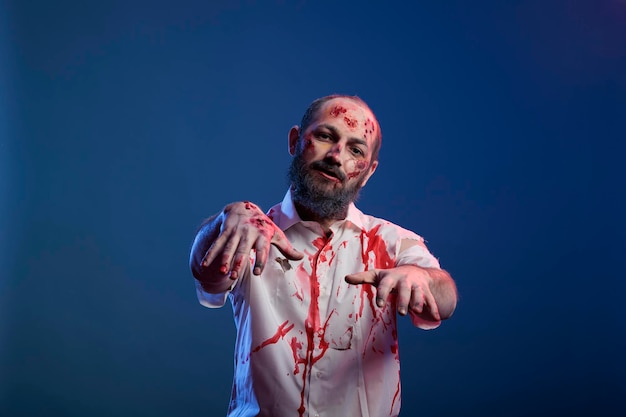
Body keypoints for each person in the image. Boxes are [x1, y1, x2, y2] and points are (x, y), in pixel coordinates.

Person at [189, 94, 458, 417]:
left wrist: (423, 277)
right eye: (326, 136)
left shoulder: (393, 243)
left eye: (355, 149)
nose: (335, 155)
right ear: (295, 141)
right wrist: (222, 223)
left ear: (368, 171)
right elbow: (205, 273)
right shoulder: (251, 233)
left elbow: (445, 301)